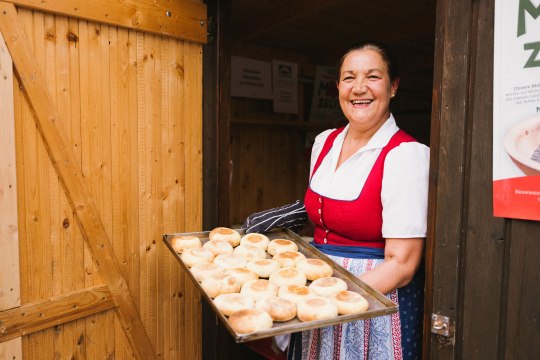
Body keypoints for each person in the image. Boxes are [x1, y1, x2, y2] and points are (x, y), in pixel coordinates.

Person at [243, 40, 429, 360]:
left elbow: (403, 264)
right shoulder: (324, 141)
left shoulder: (405, 155)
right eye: (348, 78)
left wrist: (331, 296)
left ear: (393, 86)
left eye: (373, 76)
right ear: (338, 86)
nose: (359, 88)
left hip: (370, 297)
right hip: (317, 290)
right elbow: (330, 208)